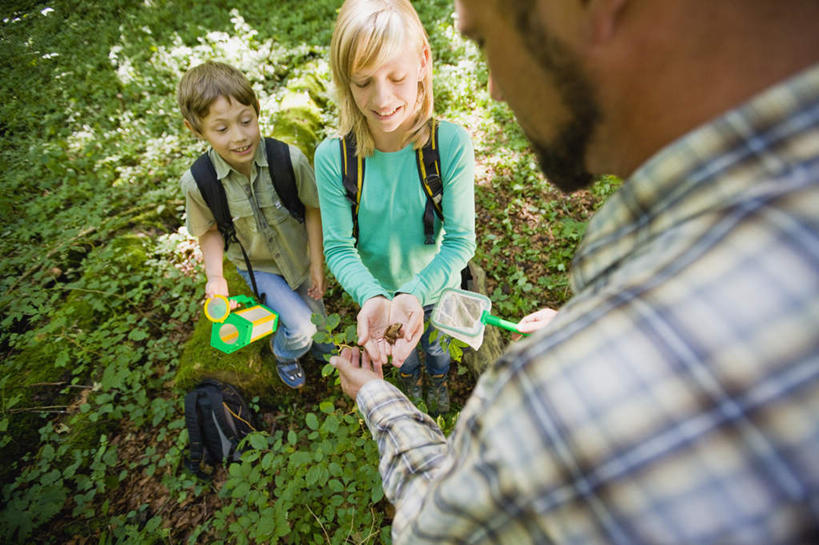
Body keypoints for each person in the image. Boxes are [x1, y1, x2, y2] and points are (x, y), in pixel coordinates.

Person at [330, 0, 819, 542]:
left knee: (437, 355)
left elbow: (433, 530)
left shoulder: (560, 388)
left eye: (486, 42)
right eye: (363, 81)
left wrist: (374, 396)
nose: (492, 86)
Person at [314, 0, 476, 414]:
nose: (382, 99)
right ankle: (410, 386)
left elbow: (459, 241)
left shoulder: (449, 145)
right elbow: (338, 247)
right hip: (379, 298)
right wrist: (374, 296)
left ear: (422, 63)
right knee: (401, 357)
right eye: (363, 82)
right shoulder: (334, 158)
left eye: (397, 77)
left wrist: (415, 291)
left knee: (438, 351)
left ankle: (438, 383)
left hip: (439, 292)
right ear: (345, 81)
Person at [178, 61, 330, 389]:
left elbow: (313, 209)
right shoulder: (199, 183)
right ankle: (285, 353)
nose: (240, 137)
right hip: (259, 268)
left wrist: (317, 264)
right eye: (222, 129)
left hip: (299, 260)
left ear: (257, 109)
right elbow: (209, 232)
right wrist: (216, 277)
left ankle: (325, 351)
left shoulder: (288, 160)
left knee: (321, 323)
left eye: (246, 121)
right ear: (195, 129)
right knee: (302, 328)